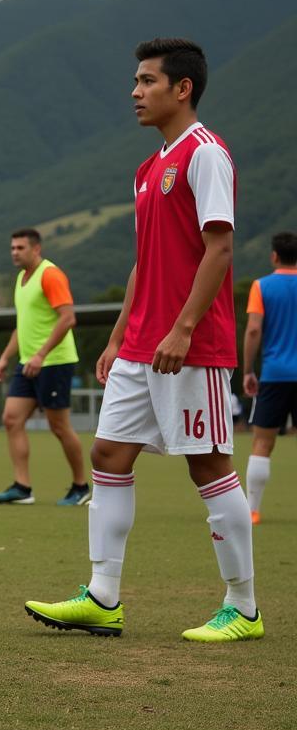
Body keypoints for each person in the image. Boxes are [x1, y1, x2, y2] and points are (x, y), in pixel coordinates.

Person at [26, 37, 262, 643]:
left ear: (181, 89)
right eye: (135, 81)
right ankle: (103, 596)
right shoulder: (148, 167)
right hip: (139, 347)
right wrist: (116, 338)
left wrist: (183, 326)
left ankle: (244, 607)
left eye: (147, 81)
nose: (135, 92)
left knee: (209, 465)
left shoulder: (206, 155)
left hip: (192, 344)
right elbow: (143, 262)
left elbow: (220, 249)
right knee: (108, 457)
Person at [0, 229, 87, 506]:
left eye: (20, 248)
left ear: (36, 249)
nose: (14, 253)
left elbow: (68, 319)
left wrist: (41, 355)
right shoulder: (21, 279)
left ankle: (81, 486)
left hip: (55, 362)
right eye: (12, 248)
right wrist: (5, 358)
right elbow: (23, 326)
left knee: (59, 426)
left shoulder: (50, 275)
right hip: (27, 363)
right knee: (11, 419)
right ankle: (22, 487)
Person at [242, 231, 297, 525]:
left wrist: (249, 369)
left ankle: (252, 510)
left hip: (274, 374)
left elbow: (253, 330)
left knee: (262, 443)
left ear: (274, 256)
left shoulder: (261, 286)